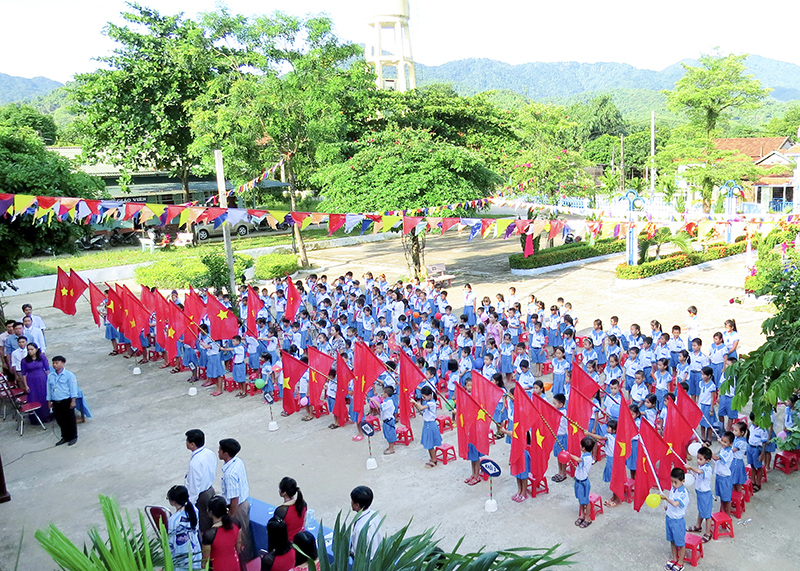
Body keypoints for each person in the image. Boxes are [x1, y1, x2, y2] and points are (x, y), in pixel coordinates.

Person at [219, 438, 252, 561]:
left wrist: (230, 516)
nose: (218, 452)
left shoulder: (229, 474)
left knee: (241, 537)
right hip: (244, 503)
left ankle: (244, 561)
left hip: (237, 508)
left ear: (226, 453)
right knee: (244, 534)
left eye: (220, 450)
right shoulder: (238, 461)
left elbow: (234, 499)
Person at [184, 429, 217, 534]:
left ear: (192, 444)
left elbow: (194, 486)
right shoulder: (209, 453)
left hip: (201, 496)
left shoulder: (195, 463)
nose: (186, 443)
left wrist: (190, 504)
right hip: (210, 489)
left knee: (204, 523)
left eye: (187, 441)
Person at [166, 485, 203, 571]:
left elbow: (171, 542)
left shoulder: (173, 520)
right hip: (195, 551)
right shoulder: (194, 510)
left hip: (181, 556)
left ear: (173, 501)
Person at [661, 468, 689, 571]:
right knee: (672, 540)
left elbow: (676, 503)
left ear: (683, 481)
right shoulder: (673, 489)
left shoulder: (684, 493)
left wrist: (666, 499)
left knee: (680, 543)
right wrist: (667, 506)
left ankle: (680, 562)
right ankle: (674, 559)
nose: (673, 484)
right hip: (669, 518)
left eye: (675, 482)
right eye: (672, 481)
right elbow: (671, 503)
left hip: (678, 521)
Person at [46, 355, 79, 446]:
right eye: (53, 363)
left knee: (70, 419)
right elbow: (49, 389)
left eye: (57, 363)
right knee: (60, 420)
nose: (55, 365)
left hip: (66, 401)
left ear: (63, 363)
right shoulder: (51, 376)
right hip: (56, 401)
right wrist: (49, 401)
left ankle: (73, 436)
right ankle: (65, 436)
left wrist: (73, 400)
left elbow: (73, 389)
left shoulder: (69, 375)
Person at [202, 495, 241, 571]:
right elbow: (238, 545)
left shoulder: (209, 535)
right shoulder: (236, 524)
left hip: (218, 567)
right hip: (234, 563)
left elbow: (205, 560)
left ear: (210, 512)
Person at [685, 447, 713, 543]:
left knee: (707, 515)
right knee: (701, 510)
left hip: (705, 494)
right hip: (700, 492)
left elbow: (700, 472)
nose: (698, 460)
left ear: (707, 460)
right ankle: (698, 526)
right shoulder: (701, 466)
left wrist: (691, 468)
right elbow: (699, 475)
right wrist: (694, 475)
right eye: (697, 458)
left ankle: (708, 533)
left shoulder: (707, 468)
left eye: (700, 459)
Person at [411, 385, 442, 467]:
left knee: (430, 443)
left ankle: (434, 459)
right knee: (429, 443)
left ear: (429, 395)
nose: (423, 398)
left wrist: (414, 402)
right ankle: (432, 458)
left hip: (430, 425)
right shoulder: (429, 402)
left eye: (424, 397)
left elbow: (421, 408)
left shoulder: (431, 403)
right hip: (427, 424)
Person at [20, 343, 51, 423]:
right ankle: (35, 418)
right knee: (34, 397)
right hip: (31, 381)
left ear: (36, 350)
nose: (30, 351)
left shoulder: (42, 357)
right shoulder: (24, 360)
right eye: (28, 350)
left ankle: (46, 415)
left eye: (32, 349)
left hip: (42, 379)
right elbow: (23, 374)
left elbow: (47, 369)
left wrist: (48, 380)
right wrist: (26, 385)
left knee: (43, 396)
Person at [349, 486, 383, 559]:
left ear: (357, 505)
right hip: (377, 553)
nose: (351, 503)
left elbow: (357, 550)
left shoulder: (359, 529)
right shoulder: (375, 514)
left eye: (352, 501)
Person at [571, 436, 595, 528]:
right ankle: (581, 515)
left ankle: (588, 518)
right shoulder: (584, 454)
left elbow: (579, 460)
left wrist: (569, 455)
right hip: (578, 481)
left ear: (583, 448)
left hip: (583, 483)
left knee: (586, 501)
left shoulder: (587, 458)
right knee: (581, 499)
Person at [274, 476, 307, 541]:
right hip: (302, 539)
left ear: (284, 493)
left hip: (289, 543)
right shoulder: (302, 504)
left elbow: (277, 531)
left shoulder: (281, 511)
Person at [713, 431, 734, 515]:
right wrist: (721, 441)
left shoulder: (728, 452)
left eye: (725, 442)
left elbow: (716, 458)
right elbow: (722, 442)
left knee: (727, 499)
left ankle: (727, 515)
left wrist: (708, 451)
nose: (722, 443)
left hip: (725, 478)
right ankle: (722, 512)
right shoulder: (724, 448)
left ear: (731, 444)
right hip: (719, 476)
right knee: (722, 497)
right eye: (722, 440)